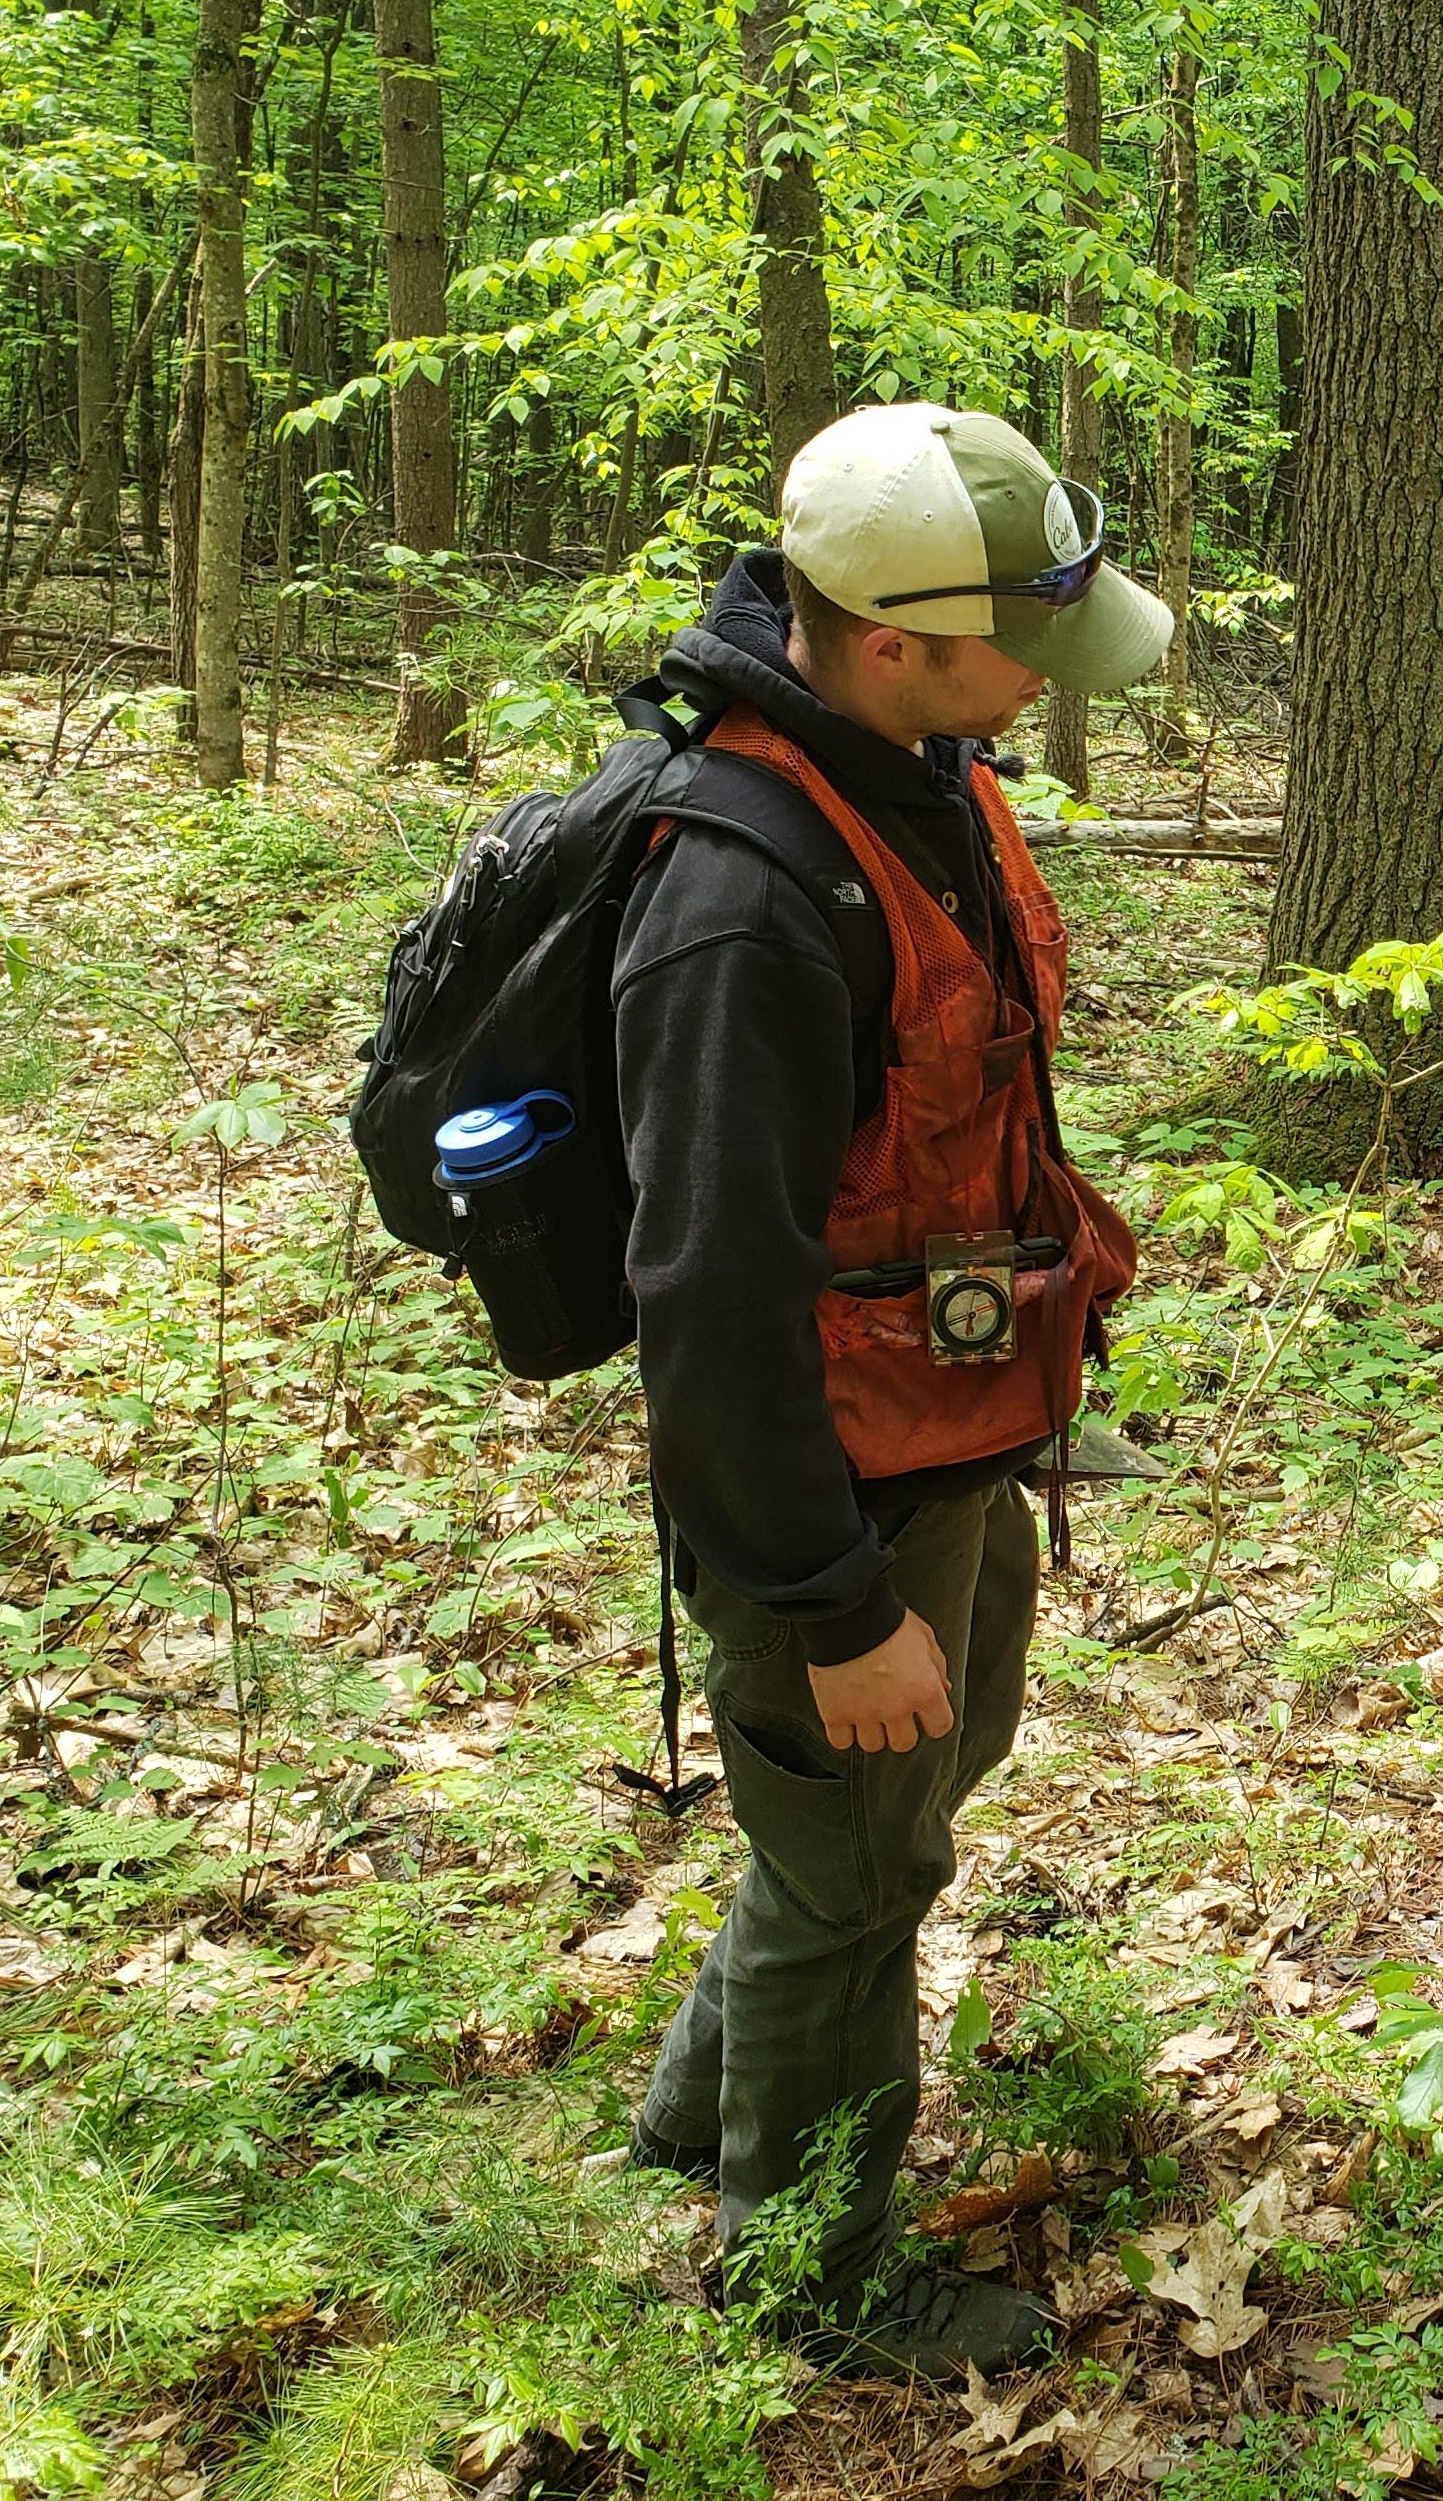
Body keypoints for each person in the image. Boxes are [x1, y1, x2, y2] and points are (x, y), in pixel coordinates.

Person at [617, 401, 1168, 2377]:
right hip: (823, 1498)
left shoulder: (923, 771)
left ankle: (697, 2110)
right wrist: (835, 1608)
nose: (1052, 683)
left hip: (945, 1448)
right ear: (898, 636)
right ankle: (811, 2280)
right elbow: (705, 1299)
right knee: (861, 1863)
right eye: (1028, 641)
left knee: (893, 1812)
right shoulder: (744, 904)